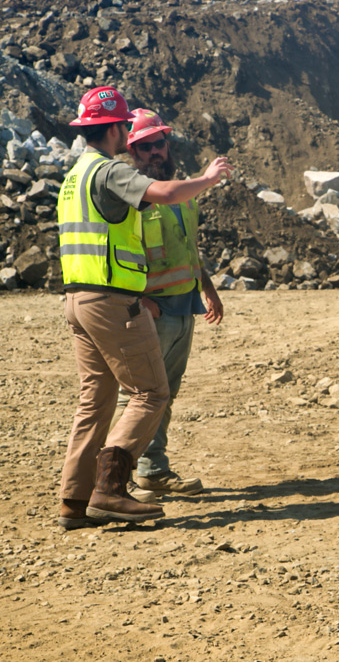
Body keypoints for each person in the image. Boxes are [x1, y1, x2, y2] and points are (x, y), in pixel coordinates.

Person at [57, 86, 233, 529]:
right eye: (130, 133)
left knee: (95, 402)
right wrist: (209, 180)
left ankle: (73, 501)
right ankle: (110, 490)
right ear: (116, 129)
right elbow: (167, 192)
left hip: (78, 299)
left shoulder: (74, 175)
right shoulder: (109, 171)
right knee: (152, 393)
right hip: (113, 301)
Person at [114, 108, 222, 499]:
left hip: (183, 307)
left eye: (159, 143)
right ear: (132, 152)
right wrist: (140, 299)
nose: (155, 152)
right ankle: (116, 479)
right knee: (139, 396)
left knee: (165, 394)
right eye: (145, 147)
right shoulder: (130, 195)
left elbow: (187, 247)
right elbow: (117, 252)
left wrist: (207, 287)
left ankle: (153, 470)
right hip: (151, 310)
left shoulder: (182, 193)